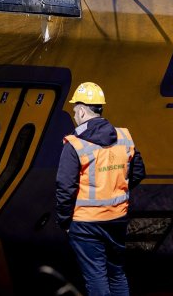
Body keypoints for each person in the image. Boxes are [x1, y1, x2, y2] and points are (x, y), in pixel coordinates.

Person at [56, 82, 146, 296]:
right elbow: (138, 172)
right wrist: (115, 189)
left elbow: (65, 187)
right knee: (117, 273)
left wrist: (64, 221)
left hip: (85, 222)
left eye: (74, 110)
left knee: (96, 276)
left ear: (81, 110)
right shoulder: (124, 138)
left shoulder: (74, 145)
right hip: (117, 218)